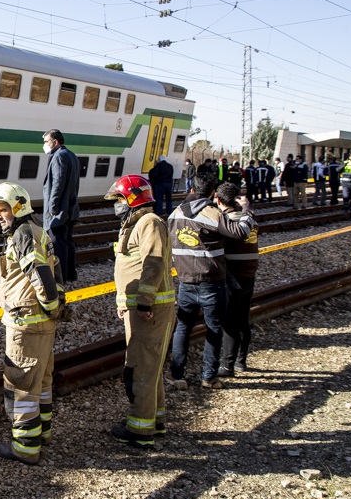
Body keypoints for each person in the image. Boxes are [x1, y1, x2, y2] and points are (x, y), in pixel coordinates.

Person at [0, 182, 67, 464]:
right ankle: (42, 432)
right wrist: (52, 312)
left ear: (18, 206)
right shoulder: (32, 231)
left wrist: (51, 307)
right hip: (39, 323)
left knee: (21, 383)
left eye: (3, 208)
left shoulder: (23, 234)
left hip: (27, 324)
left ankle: (25, 447)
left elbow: (41, 277)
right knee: (41, 380)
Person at [104, 175, 174, 447]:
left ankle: (140, 431)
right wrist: (125, 302)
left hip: (151, 311)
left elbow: (153, 264)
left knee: (141, 368)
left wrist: (144, 301)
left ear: (133, 198)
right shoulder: (135, 224)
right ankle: (152, 420)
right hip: (139, 310)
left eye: (120, 199)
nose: (117, 205)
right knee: (149, 366)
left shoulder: (150, 223)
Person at [167, 174, 255, 389]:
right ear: (213, 193)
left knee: (182, 328)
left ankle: (177, 375)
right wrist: (247, 211)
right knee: (214, 328)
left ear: (191, 190)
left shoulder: (174, 214)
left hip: (185, 281)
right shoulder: (212, 213)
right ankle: (208, 377)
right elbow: (241, 231)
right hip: (212, 281)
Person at [217, 183, 259, 376]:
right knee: (243, 319)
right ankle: (241, 361)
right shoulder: (250, 220)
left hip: (232, 276)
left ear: (219, 200)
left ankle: (227, 365)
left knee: (230, 322)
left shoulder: (228, 222)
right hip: (248, 274)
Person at [42, 128, 80, 282]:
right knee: (68, 242)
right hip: (70, 209)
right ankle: (70, 274)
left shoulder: (58, 157)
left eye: (46, 141)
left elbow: (58, 183)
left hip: (59, 211)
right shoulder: (71, 155)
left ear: (55, 142)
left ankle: (60, 276)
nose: (44, 145)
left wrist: (53, 208)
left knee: (58, 244)